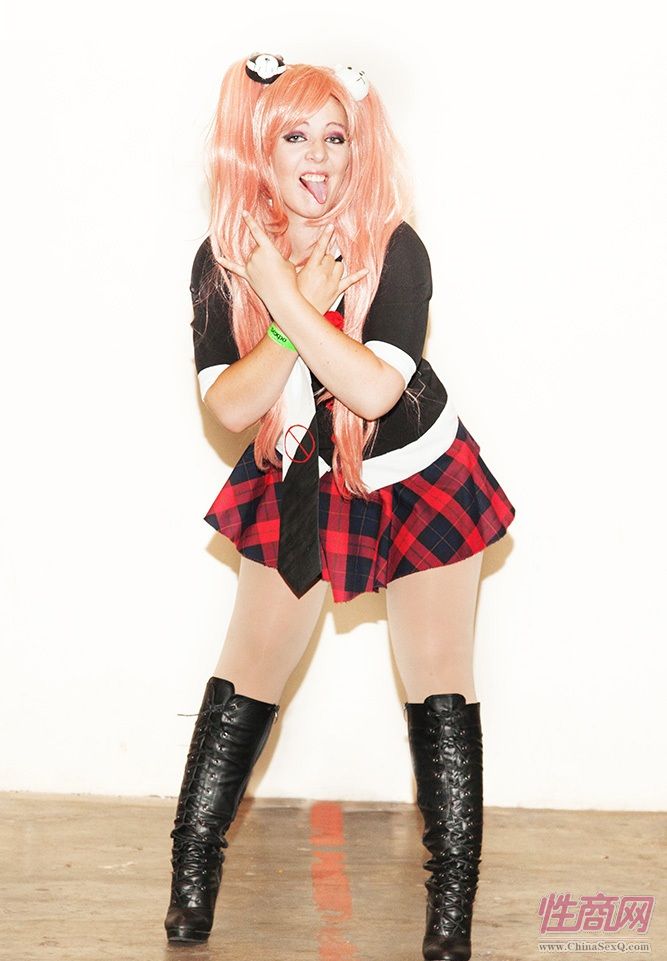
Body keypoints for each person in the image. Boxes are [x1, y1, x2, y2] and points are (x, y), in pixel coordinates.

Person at [164, 52, 516, 961]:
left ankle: (450, 912)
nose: (317, 157)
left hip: (416, 476)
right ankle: (190, 883)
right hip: (301, 474)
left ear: (359, 150)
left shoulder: (393, 247)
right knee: (247, 671)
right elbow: (231, 405)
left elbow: (370, 389)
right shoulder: (223, 259)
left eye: (335, 137)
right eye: (295, 136)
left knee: (439, 679)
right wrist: (289, 309)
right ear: (259, 147)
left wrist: (289, 298)